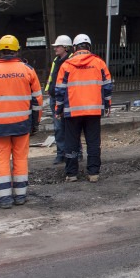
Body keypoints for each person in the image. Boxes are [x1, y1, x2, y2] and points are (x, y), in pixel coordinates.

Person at [0, 35, 42, 208]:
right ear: (17, 50)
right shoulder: (27, 70)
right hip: (22, 124)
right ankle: (20, 196)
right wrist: (35, 123)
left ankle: (4, 198)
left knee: (1, 160)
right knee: (20, 159)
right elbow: (37, 101)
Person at [55, 33, 112, 182]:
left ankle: (72, 174)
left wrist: (58, 110)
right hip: (93, 111)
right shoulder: (99, 63)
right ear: (89, 47)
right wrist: (107, 105)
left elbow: (60, 90)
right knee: (93, 142)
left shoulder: (66, 65)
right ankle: (93, 173)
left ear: (74, 48)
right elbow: (107, 87)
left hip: (72, 111)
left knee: (71, 143)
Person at [45, 35, 73, 164]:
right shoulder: (57, 60)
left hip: (67, 99)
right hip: (55, 97)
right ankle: (61, 154)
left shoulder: (72, 60)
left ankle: (73, 152)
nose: (55, 48)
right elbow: (52, 77)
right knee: (58, 128)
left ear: (66, 48)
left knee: (71, 127)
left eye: (58, 46)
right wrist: (49, 90)